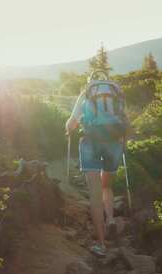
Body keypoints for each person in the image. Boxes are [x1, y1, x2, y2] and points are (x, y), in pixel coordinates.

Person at [65, 71, 127, 257]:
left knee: (94, 193)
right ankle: (110, 219)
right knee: (106, 184)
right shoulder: (117, 92)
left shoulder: (86, 92)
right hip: (114, 141)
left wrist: (68, 128)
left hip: (91, 141)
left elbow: (71, 124)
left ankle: (101, 244)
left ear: (90, 81)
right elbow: (126, 121)